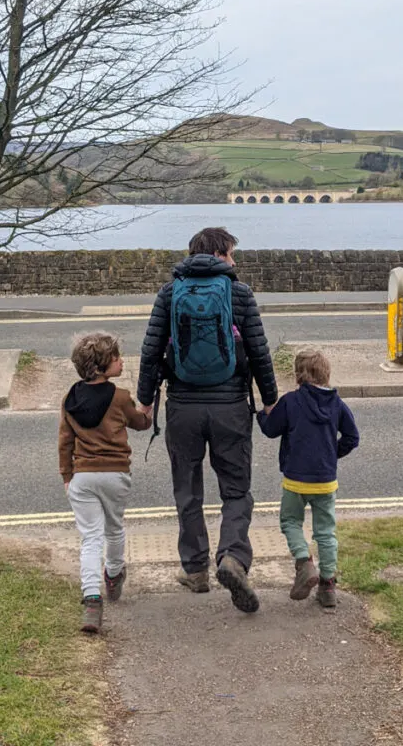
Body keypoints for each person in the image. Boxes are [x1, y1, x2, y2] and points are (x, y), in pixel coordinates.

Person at [137, 227, 277, 613]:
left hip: (182, 406)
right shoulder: (240, 293)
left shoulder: (169, 293)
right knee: (236, 489)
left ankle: (196, 570)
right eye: (231, 255)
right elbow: (259, 352)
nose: (234, 262)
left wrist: (145, 402)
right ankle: (232, 557)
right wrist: (270, 400)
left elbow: (151, 353)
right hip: (230, 405)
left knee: (188, 489)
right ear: (218, 254)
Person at [59, 331, 152, 633]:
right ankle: (113, 575)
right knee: (114, 529)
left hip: (82, 476)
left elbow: (65, 441)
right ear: (102, 366)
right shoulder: (121, 398)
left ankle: (91, 599)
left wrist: (66, 476)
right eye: (116, 357)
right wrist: (147, 412)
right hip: (115, 474)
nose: (121, 361)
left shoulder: (70, 399)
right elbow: (140, 423)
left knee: (90, 539)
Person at [257, 347, 359, 609]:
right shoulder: (337, 404)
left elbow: (270, 429)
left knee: (290, 520)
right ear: (326, 373)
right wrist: (331, 454)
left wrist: (260, 414)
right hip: (326, 480)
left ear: (298, 375)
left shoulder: (292, 401)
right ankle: (328, 587)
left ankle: (304, 563)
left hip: (295, 479)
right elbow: (352, 437)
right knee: (326, 532)